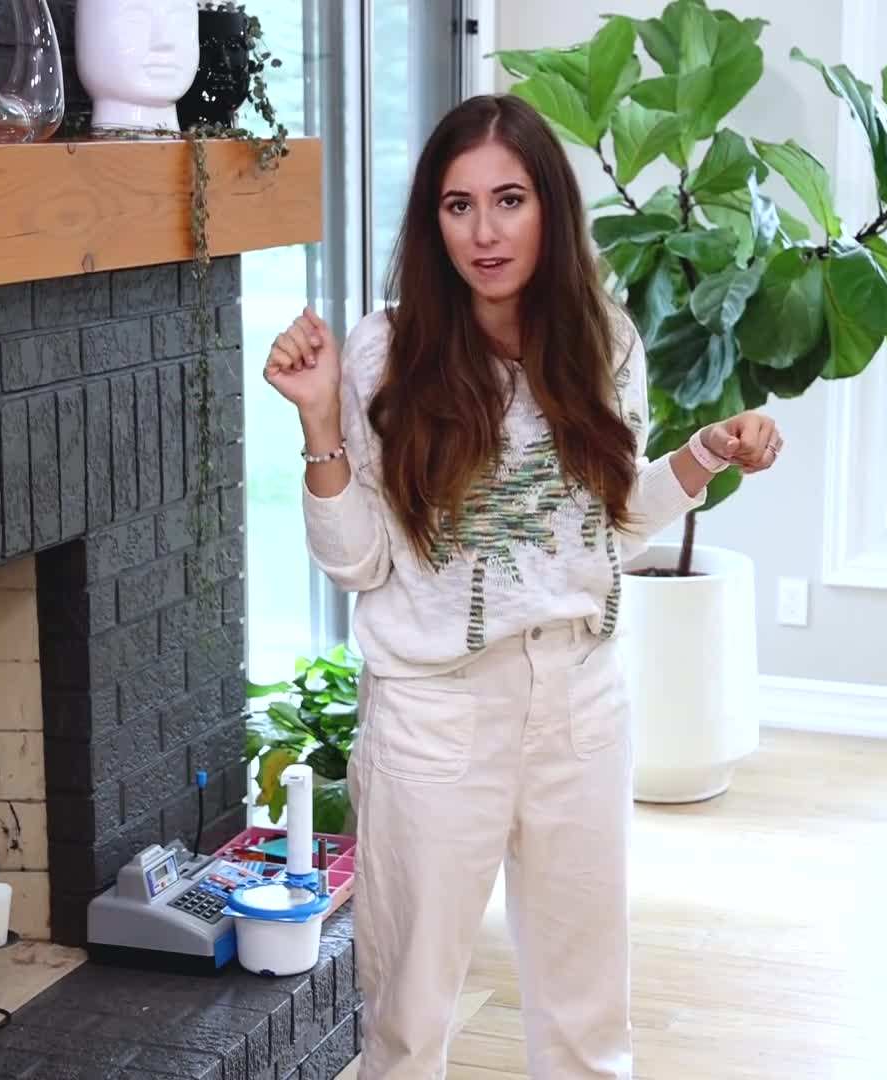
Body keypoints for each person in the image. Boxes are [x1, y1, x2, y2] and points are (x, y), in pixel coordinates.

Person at [262, 94, 784, 1079]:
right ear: (433, 221)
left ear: (549, 205)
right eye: (459, 206)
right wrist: (320, 420)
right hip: (434, 717)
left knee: (590, 1025)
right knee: (411, 1025)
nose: (486, 231)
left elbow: (606, 526)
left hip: (579, 702)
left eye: (509, 199)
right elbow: (357, 562)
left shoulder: (604, 345)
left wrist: (703, 455)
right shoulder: (385, 350)